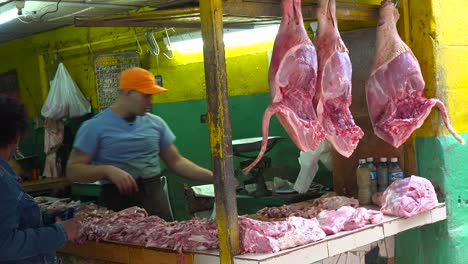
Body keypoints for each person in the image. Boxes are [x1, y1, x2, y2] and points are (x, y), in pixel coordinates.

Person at [66, 67, 214, 220]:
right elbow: (73, 171)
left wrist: (214, 177)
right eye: (146, 96)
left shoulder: (155, 123)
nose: (151, 102)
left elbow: (176, 162)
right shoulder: (94, 127)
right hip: (118, 207)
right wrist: (106, 170)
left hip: (155, 201)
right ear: (129, 93)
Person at [0, 96, 80, 263]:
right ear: (15, 137)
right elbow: (5, 245)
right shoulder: (2, 181)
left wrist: (44, 219)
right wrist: (61, 232)